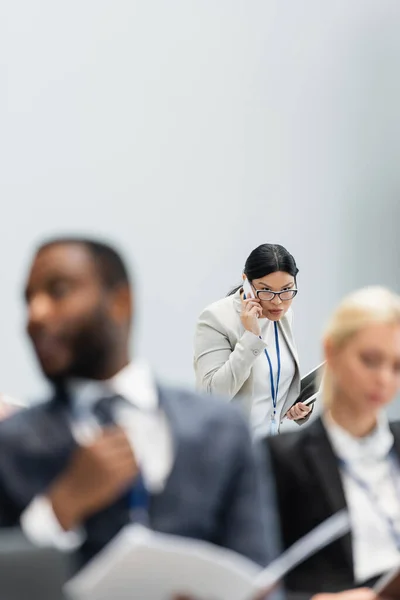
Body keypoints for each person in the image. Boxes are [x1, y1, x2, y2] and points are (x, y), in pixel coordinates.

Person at [0, 237, 278, 571]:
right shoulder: (10, 443)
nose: (36, 314)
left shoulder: (221, 429)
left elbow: (259, 575)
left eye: (57, 291)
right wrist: (60, 509)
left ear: (120, 302)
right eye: (28, 299)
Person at [265, 286, 400, 595]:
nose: (384, 379)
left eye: (397, 366)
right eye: (370, 360)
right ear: (332, 352)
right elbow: (258, 581)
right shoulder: (283, 459)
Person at [194, 243, 312, 438]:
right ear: (246, 282)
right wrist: (251, 338)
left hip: (270, 450)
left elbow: (271, 386)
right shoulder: (216, 318)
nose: (277, 301)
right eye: (265, 290)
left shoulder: (284, 315)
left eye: (286, 290)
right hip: (230, 450)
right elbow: (211, 396)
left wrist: (294, 407)